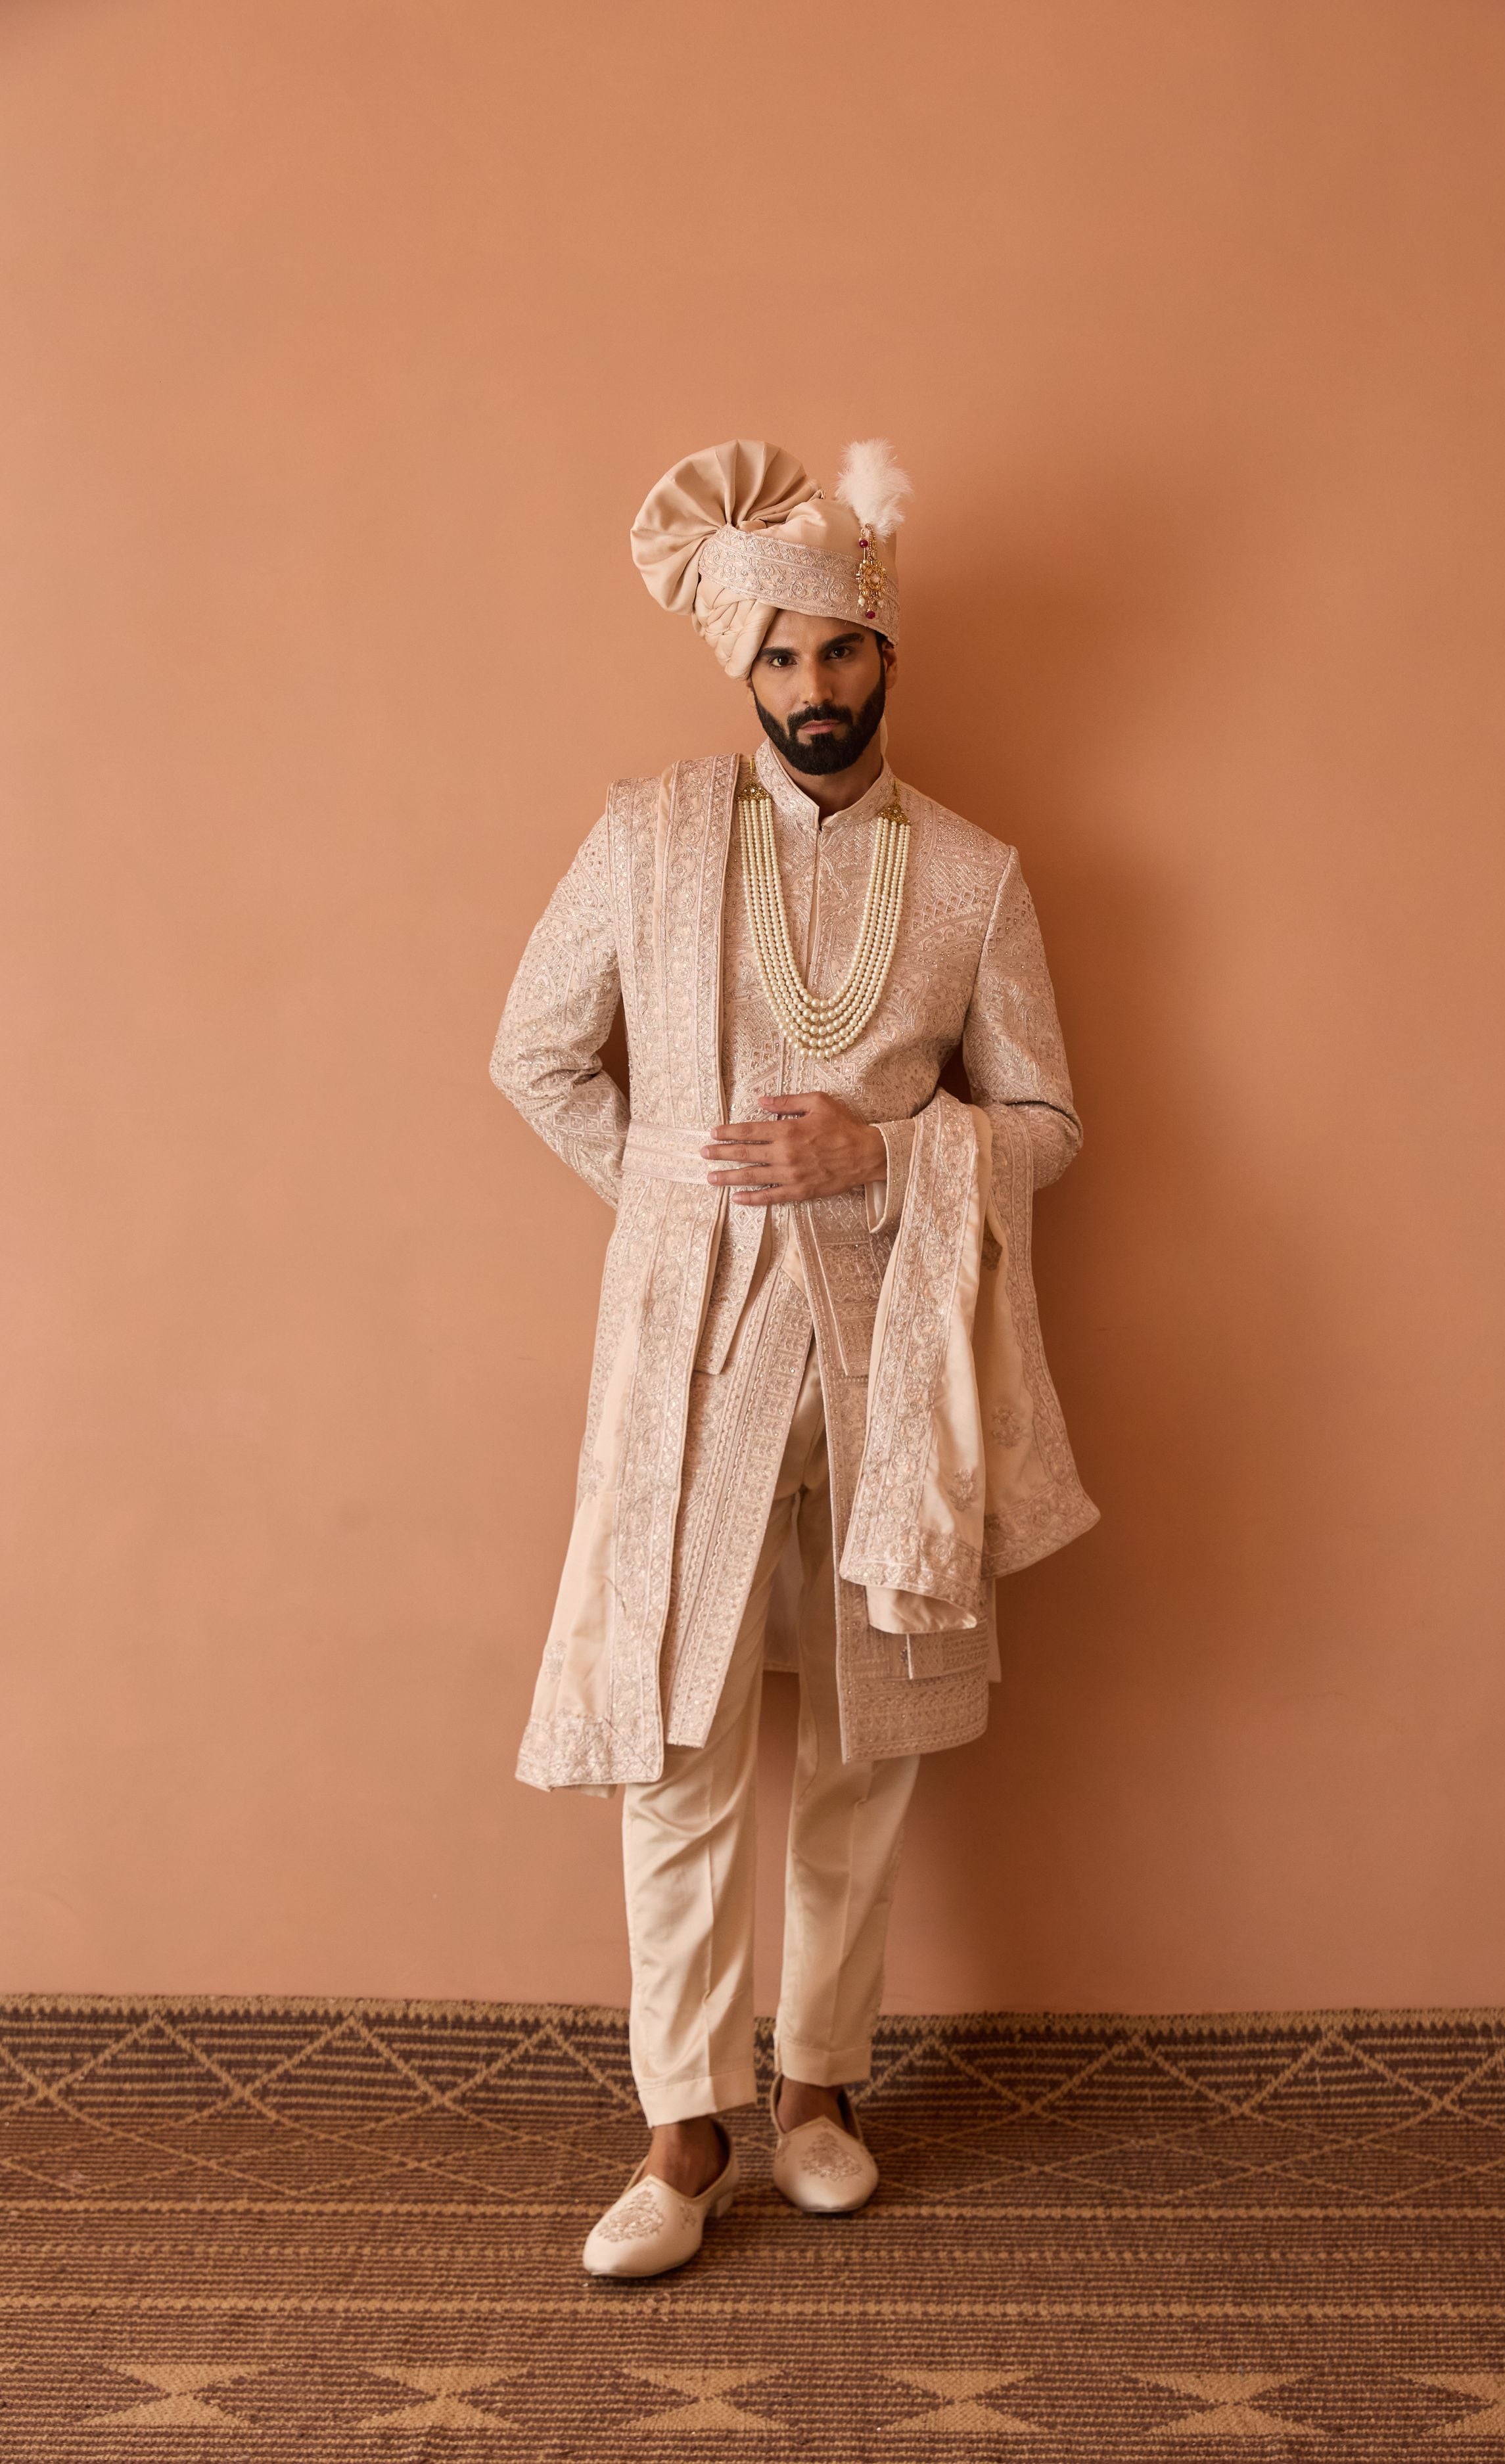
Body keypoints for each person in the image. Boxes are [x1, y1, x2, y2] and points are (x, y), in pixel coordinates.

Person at [490, 438, 1097, 2277]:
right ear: (738, 667)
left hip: (889, 1366)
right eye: (777, 661)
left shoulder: (978, 881)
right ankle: (680, 2132)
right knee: (680, 1750)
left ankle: (821, 2091)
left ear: (883, 655)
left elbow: (1049, 1116)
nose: (810, 693)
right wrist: (682, 1203)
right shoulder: (648, 836)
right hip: (690, 1364)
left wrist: (889, 1161)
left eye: (836, 656)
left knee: (858, 1749)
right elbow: (537, 1056)